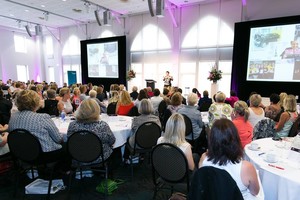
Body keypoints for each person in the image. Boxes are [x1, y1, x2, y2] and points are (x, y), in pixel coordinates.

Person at [199, 118, 260, 199]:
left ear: (212, 139)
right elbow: (255, 191)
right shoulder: (246, 167)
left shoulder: (204, 158)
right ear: (235, 139)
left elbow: (202, 184)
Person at [8, 90, 66, 163]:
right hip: (43, 154)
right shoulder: (42, 117)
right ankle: (65, 170)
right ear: (36, 102)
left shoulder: (13, 117)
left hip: (21, 152)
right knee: (67, 145)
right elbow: (58, 139)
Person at [67, 99, 115, 164]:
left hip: (78, 156)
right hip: (99, 157)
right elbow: (112, 140)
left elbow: (69, 140)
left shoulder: (72, 125)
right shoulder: (102, 125)